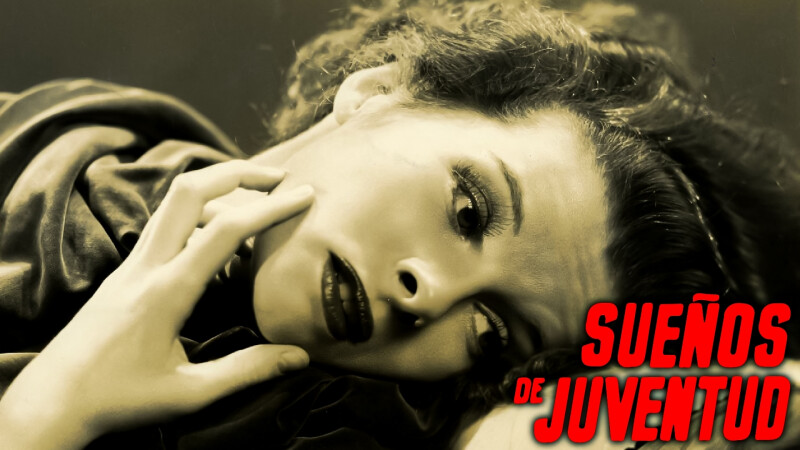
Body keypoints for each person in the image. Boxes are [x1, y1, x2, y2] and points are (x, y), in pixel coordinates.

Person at [0, 0, 798, 448]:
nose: (428, 294)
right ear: (378, 93)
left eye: (492, 331)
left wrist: (48, 417)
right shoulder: (58, 140)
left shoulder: (338, 434)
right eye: (468, 210)